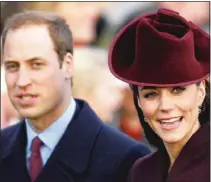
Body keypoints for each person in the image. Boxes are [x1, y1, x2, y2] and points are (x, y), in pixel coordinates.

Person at [0, 11, 151, 182]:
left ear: (67, 65)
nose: (22, 81)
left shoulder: (128, 159)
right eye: (12, 66)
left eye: (37, 65)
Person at [108, 8, 210, 182]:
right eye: (150, 94)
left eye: (177, 90)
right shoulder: (142, 171)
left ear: (201, 92)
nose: (165, 106)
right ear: (138, 101)